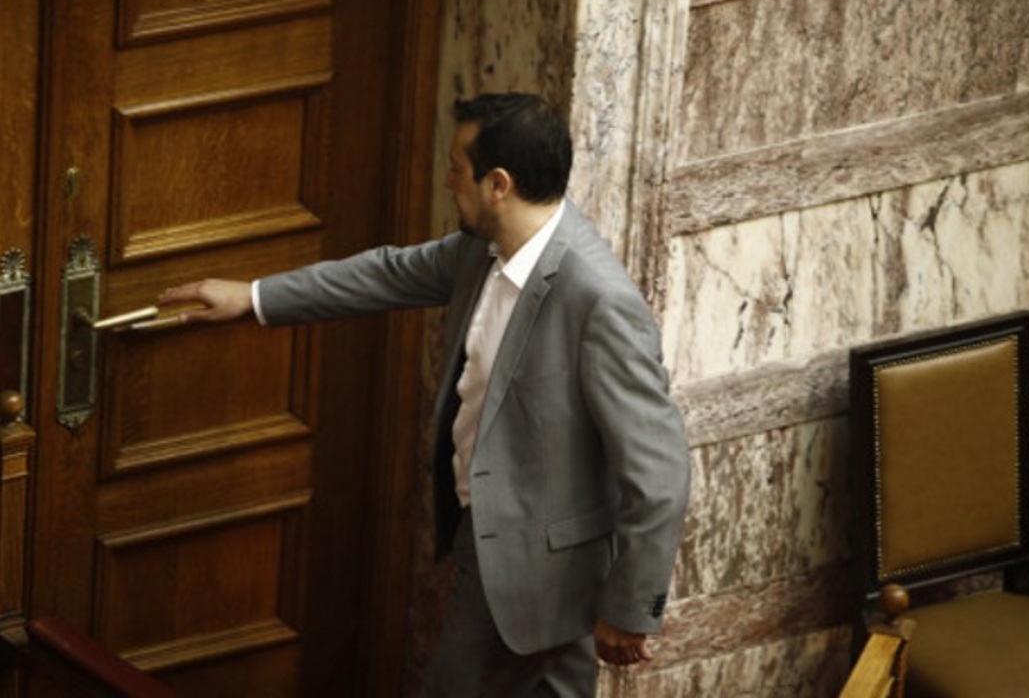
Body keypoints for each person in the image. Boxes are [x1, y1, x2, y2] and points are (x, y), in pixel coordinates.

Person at [158, 92, 690, 696]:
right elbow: (385, 274)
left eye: (457, 169)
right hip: (496, 546)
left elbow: (660, 469)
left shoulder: (599, 300)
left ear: (498, 184)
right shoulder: (481, 251)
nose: (446, 181)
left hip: (529, 568)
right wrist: (254, 296)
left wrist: (631, 608)